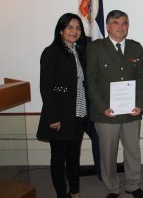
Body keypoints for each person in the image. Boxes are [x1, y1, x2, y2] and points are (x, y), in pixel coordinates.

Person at [86, 10, 143, 198]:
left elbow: (142, 78)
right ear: (107, 26)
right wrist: (102, 106)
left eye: (124, 23)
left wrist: (140, 104)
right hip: (106, 112)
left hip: (131, 111)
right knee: (108, 153)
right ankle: (113, 187)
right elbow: (91, 81)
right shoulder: (96, 48)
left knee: (133, 151)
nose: (121, 27)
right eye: (116, 23)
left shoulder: (136, 48)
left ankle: (133, 184)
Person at [37, 13, 88, 198]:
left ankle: (74, 191)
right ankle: (61, 194)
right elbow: (46, 88)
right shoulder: (51, 52)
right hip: (60, 115)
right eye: (70, 28)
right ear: (61, 30)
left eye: (78, 28)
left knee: (74, 156)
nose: (74, 31)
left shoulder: (79, 51)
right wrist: (52, 117)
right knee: (59, 159)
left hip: (79, 112)